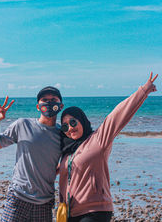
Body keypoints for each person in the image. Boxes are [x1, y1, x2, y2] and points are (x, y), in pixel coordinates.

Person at [58, 73, 158, 222]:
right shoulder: (67, 151)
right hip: (70, 213)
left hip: (95, 211)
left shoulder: (98, 139)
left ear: (82, 120)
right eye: (65, 126)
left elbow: (117, 116)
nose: (70, 128)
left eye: (73, 122)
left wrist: (143, 91)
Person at [0, 86, 64, 222]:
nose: (49, 102)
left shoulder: (62, 134)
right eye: (44, 100)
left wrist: (52, 172)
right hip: (18, 198)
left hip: (44, 202)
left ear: (60, 105)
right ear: (38, 106)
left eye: (53, 99)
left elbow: (67, 162)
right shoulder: (22, 124)